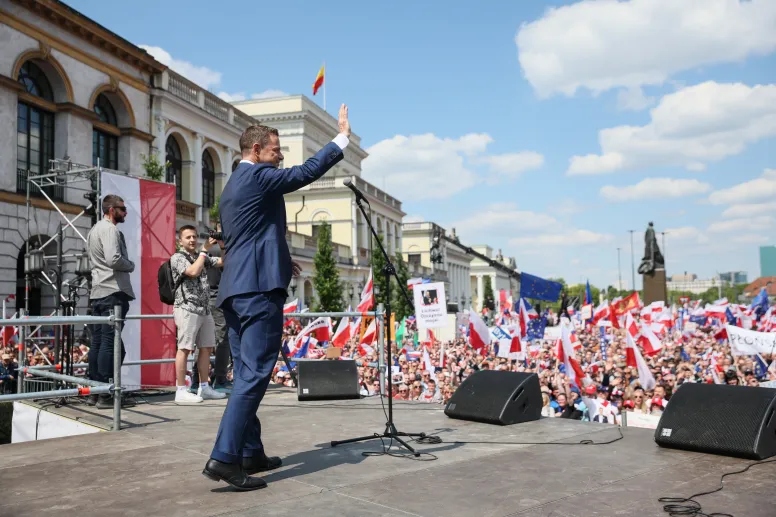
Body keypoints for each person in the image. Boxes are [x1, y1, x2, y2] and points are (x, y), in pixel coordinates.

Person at [202, 104, 352, 490]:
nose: (280, 155)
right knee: (254, 374)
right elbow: (303, 174)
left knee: (244, 375)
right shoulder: (258, 176)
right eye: (274, 149)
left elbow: (251, 237)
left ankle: (250, 451)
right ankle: (224, 458)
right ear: (255, 150)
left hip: (236, 290)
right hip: (256, 292)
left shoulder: (234, 182)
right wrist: (340, 140)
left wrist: (284, 261)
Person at [85, 194, 135, 409]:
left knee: (99, 342)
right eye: (122, 209)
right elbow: (113, 259)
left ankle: (95, 392)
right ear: (111, 209)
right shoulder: (110, 229)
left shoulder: (94, 229)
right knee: (108, 343)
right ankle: (105, 393)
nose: (125, 212)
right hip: (112, 290)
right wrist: (130, 264)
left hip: (98, 291)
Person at [170, 225, 226, 404]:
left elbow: (223, 262)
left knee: (206, 348)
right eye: (188, 237)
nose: (192, 240)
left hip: (204, 309)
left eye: (194, 236)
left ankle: (204, 387)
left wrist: (222, 245)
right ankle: (180, 390)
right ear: (180, 241)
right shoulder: (177, 257)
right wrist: (204, 250)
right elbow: (193, 272)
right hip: (187, 307)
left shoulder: (200, 257)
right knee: (185, 348)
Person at [191, 221, 232, 392]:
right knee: (222, 339)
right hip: (217, 296)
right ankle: (220, 379)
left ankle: (196, 380)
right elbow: (227, 264)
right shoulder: (222, 249)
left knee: (202, 341)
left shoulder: (204, 248)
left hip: (205, 297)